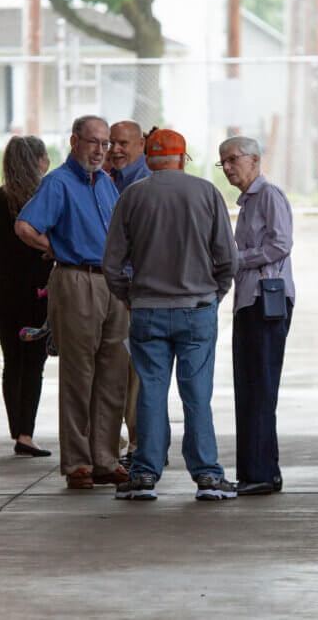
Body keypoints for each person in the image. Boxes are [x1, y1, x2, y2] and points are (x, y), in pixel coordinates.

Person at [104, 128, 239, 501]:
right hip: (197, 310)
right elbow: (228, 259)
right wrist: (214, 295)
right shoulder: (207, 194)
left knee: (150, 391)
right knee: (197, 394)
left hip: (147, 311)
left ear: (148, 158)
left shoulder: (132, 196)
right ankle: (207, 477)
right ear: (182, 159)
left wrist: (130, 297)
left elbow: (112, 263)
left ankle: (145, 474)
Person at [15, 115, 129, 489]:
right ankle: (78, 462)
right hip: (76, 279)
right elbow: (24, 226)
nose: (100, 151)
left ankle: (105, 459)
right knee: (79, 374)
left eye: (105, 144)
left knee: (113, 375)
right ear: (75, 142)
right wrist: (55, 247)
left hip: (112, 283)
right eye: (93, 142)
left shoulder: (107, 185)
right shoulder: (59, 183)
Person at [218, 136, 295, 496]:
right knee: (252, 388)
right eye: (224, 162)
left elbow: (281, 244)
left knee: (258, 388)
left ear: (254, 159)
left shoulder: (268, 196)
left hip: (266, 302)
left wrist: (238, 259)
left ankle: (259, 473)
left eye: (233, 159)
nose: (228, 167)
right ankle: (264, 471)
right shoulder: (249, 202)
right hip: (251, 301)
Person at [0, 135, 55, 457]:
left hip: (2, 293)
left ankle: (18, 432)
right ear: (38, 161)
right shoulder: (44, 198)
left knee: (11, 362)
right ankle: (26, 434)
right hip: (36, 293)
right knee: (33, 364)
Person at [106, 120, 150, 467]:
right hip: (117, 286)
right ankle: (134, 442)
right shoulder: (114, 179)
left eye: (122, 143)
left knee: (136, 374)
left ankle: (142, 447)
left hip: (135, 289)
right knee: (122, 371)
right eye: (110, 144)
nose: (115, 150)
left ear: (141, 145)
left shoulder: (143, 182)